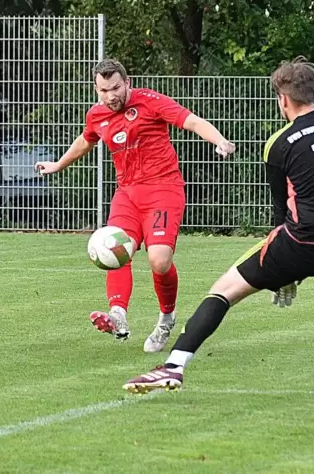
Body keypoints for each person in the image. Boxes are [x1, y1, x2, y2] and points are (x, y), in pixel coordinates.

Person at [123, 56, 314, 394]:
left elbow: (281, 211)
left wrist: (285, 270)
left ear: (283, 99)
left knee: (224, 290)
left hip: (300, 243)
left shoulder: (280, 143)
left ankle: (173, 366)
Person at [35, 58, 235, 352]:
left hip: (164, 190)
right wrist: (58, 165)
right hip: (127, 195)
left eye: (115, 88)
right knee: (115, 249)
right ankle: (118, 315)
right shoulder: (97, 115)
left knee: (159, 261)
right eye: (103, 90)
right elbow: (85, 140)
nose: (110, 95)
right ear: (96, 89)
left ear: (126, 83)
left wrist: (219, 140)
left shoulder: (151, 101)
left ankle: (166, 317)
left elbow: (190, 121)